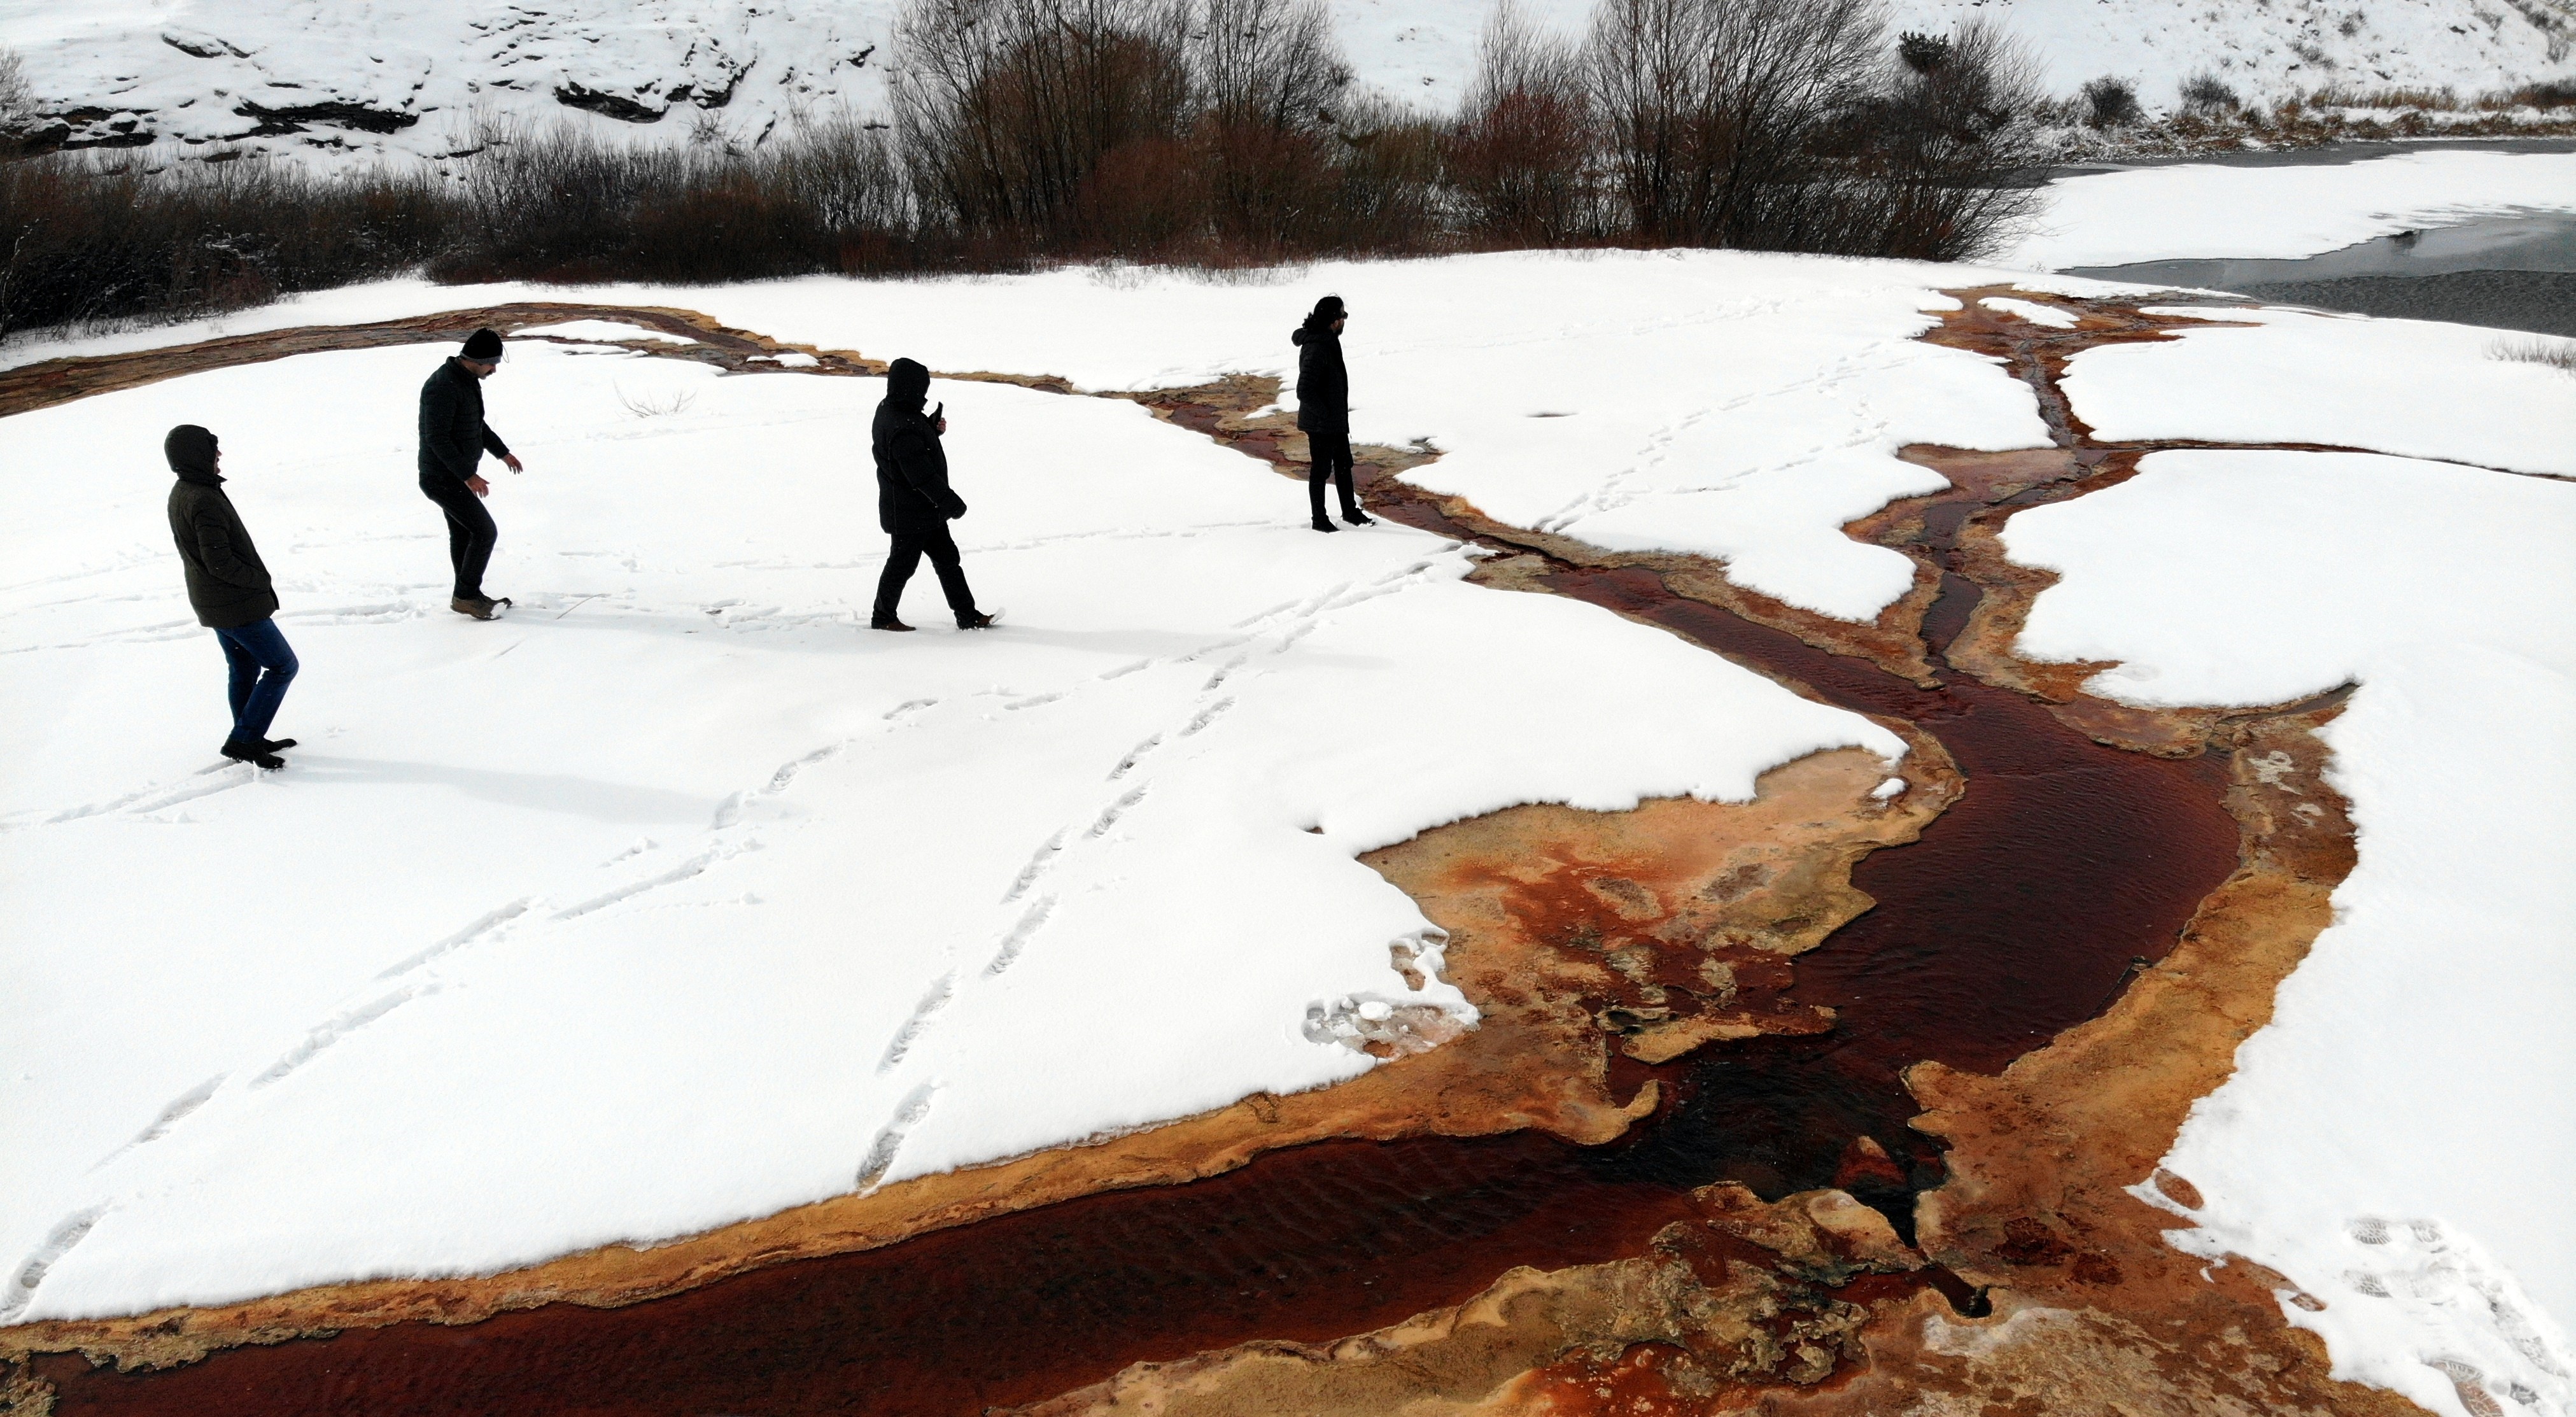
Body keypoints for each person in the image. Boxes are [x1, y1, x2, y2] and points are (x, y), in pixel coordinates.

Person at [165, 425, 298, 772]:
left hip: (214, 602)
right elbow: (219, 561)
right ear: (198, 456)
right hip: (235, 603)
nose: (219, 455)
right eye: (213, 449)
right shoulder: (203, 499)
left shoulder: (185, 491)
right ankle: (245, 738)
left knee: (243, 667)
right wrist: (258, 580)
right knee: (283, 665)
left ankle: (249, 734)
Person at [871, 358, 997, 632]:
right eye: (921, 389)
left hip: (924, 510)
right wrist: (950, 502)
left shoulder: (894, 410)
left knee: (948, 561)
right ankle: (882, 617)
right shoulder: (902, 424)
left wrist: (929, 429)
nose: (924, 396)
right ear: (909, 388)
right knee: (902, 566)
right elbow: (920, 475)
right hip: (910, 512)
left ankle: (968, 615)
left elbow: (913, 450)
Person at [417, 327, 525, 620]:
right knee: (484, 531)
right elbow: (436, 438)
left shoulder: (467, 380)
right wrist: (469, 476)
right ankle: (465, 595)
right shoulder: (442, 387)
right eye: (491, 363)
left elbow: (477, 424)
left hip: (454, 475)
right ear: (475, 359)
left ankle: (467, 594)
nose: (494, 369)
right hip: (441, 478)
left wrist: (503, 453)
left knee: (464, 534)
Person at [1290, 294, 1373, 533]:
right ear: (1334, 320)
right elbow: (1304, 390)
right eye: (1343, 315)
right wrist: (1325, 415)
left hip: (1333, 419)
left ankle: (1349, 512)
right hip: (1321, 423)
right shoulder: (1317, 347)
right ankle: (1319, 520)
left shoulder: (1327, 341)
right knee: (1321, 470)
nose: (1345, 320)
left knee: (1344, 464)